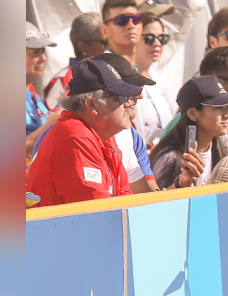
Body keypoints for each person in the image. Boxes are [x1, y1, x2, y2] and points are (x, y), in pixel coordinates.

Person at [27, 59, 139, 206]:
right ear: (92, 104)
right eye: (121, 97)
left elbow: (124, 196)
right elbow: (97, 210)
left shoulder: (103, 136)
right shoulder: (75, 135)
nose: (130, 103)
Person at [149, 76, 228, 189]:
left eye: (227, 107)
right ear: (192, 114)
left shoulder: (223, 142)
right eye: (218, 108)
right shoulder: (169, 158)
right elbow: (157, 199)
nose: (227, 114)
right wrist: (181, 185)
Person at [91, 53, 158, 193]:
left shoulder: (129, 134)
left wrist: (180, 185)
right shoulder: (76, 135)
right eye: (130, 87)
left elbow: (147, 196)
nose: (140, 95)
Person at [43, 13, 107, 110]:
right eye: (104, 42)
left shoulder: (110, 71)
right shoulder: (64, 80)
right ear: (83, 46)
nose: (108, 47)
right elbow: (54, 116)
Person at [132, 13, 176, 146]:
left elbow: (175, 115)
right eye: (149, 38)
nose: (157, 44)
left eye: (162, 38)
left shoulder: (156, 76)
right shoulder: (126, 80)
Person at [26, 23, 58, 159]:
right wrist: (50, 125)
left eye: (43, 51)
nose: (43, 58)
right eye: (35, 52)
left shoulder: (32, 93)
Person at [100, 0, 142, 65]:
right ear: (105, 30)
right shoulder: (99, 68)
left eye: (135, 19)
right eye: (122, 21)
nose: (131, 26)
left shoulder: (149, 66)